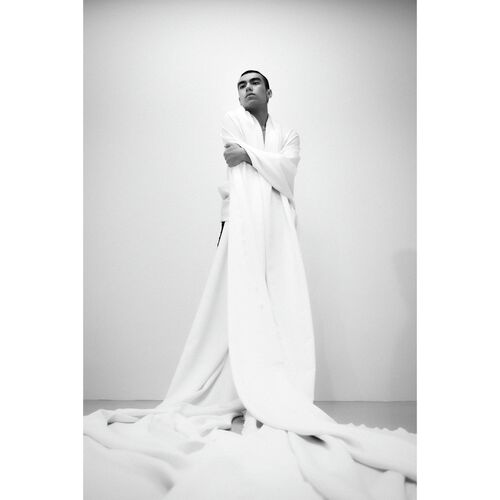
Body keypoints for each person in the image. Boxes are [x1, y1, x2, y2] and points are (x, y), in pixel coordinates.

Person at [84, 70, 417, 500]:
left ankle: (278, 386)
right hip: (242, 224)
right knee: (237, 302)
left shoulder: (288, 133)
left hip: (279, 226)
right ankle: (239, 382)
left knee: (282, 299)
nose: (247, 89)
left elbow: (287, 173)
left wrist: (251, 157)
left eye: (255, 83)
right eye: (241, 85)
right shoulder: (232, 121)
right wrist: (260, 163)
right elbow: (238, 161)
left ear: (269, 91)